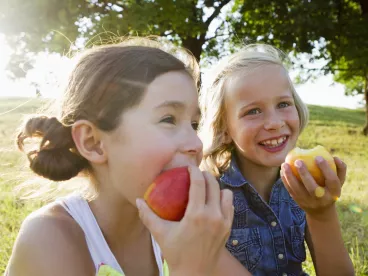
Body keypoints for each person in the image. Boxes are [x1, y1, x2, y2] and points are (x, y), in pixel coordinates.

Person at [5, 38, 239, 276]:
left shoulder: (182, 231)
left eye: (194, 124)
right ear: (93, 143)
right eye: (168, 119)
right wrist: (191, 268)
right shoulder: (50, 236)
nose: (195, 144)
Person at [199, 44, 355, 276]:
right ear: (224, 129)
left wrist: (322, 213)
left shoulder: (305, 184)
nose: (274, 122)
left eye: (283, 104)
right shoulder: (208, 195)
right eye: (253, 111)